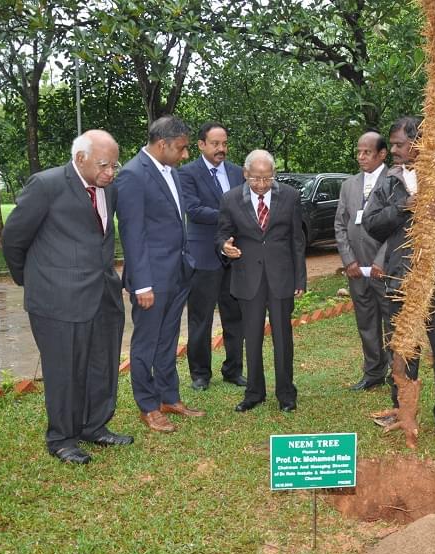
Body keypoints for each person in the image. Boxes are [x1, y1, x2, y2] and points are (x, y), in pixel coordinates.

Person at [2, 129, 131, 464]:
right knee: (65, 370)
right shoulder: (47, 185)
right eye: (104, 165)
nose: (110, 172)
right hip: (57, 300)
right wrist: (32, 281)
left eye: (114, 166)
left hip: (102, 293)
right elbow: (15, 238)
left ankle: (94, 426)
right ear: (80, 159)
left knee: (102, 364)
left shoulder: (108, 189)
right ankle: (62, 438)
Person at [363, 116, 435, 438]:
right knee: (401, 349)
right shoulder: (389, 182)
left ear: (418, 144)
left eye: (400, 144)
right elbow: (371, 223)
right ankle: (402, 408)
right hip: (400, 282)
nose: (395, 150)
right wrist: (403, 207)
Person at [115, 115, 204, 434]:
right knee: (146, 344)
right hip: (150, 280)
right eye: (180, 149)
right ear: (162, 144)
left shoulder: (172, 172)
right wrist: (142, 284)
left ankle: (169, 397)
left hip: (177, 272)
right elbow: (132, 234)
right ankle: (148, 406)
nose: (184, 155)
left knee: (167, 340)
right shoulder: (131, 175)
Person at [216, 149, 307, 413]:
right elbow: (222, 234)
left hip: (281, 278)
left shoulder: (289, 196)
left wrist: (300, 278)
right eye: (255, 178)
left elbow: (297, 241)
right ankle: (254, 392)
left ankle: (286, 394)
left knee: (283, 337)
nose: (261, 184)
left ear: (274, 175)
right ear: (245, 174)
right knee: (251, 337)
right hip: (248, 278)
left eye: (267, 179)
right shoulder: (230, 199)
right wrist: (224, 246)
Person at [178, 121, 246, 391]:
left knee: (235, 316)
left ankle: (233, 370)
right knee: (200, 318)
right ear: (201, 145)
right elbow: (193, 210)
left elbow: (246, 204)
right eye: (215, 144)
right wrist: (231, 216)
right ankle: (200, 374)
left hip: (234, 255)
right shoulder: (186, 173)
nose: (221, 149)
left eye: (224, 143)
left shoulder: (238, 172)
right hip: (203, 255)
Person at [334, 131, 391, 391]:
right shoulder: (349, 185)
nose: (360, 157)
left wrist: (382, 261)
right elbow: (340, 225)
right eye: (358, 151)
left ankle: (397, 372)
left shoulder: (395, 181)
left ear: (382, 154)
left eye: (366, 152)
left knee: (392, 321)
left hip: (385, 269)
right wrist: (348, 260)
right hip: (356, 269)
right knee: (366, 321)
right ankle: (373, 372)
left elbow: (399, 228)